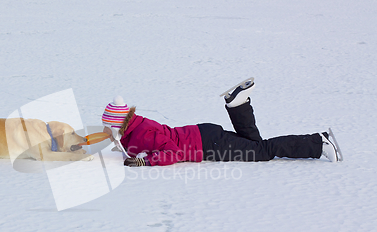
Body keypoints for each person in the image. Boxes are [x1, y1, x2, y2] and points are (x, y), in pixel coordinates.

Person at [101, 80, 341, 167]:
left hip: (209, 145)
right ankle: (238, 103)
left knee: (263, 151)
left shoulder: (141, 133)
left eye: (109, 128)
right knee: (255, 145)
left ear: (117, 125)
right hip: (204, 134)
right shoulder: (137, 125)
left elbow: (171, 152)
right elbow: (147, 142)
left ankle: (319, 144)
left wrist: (144, 161)